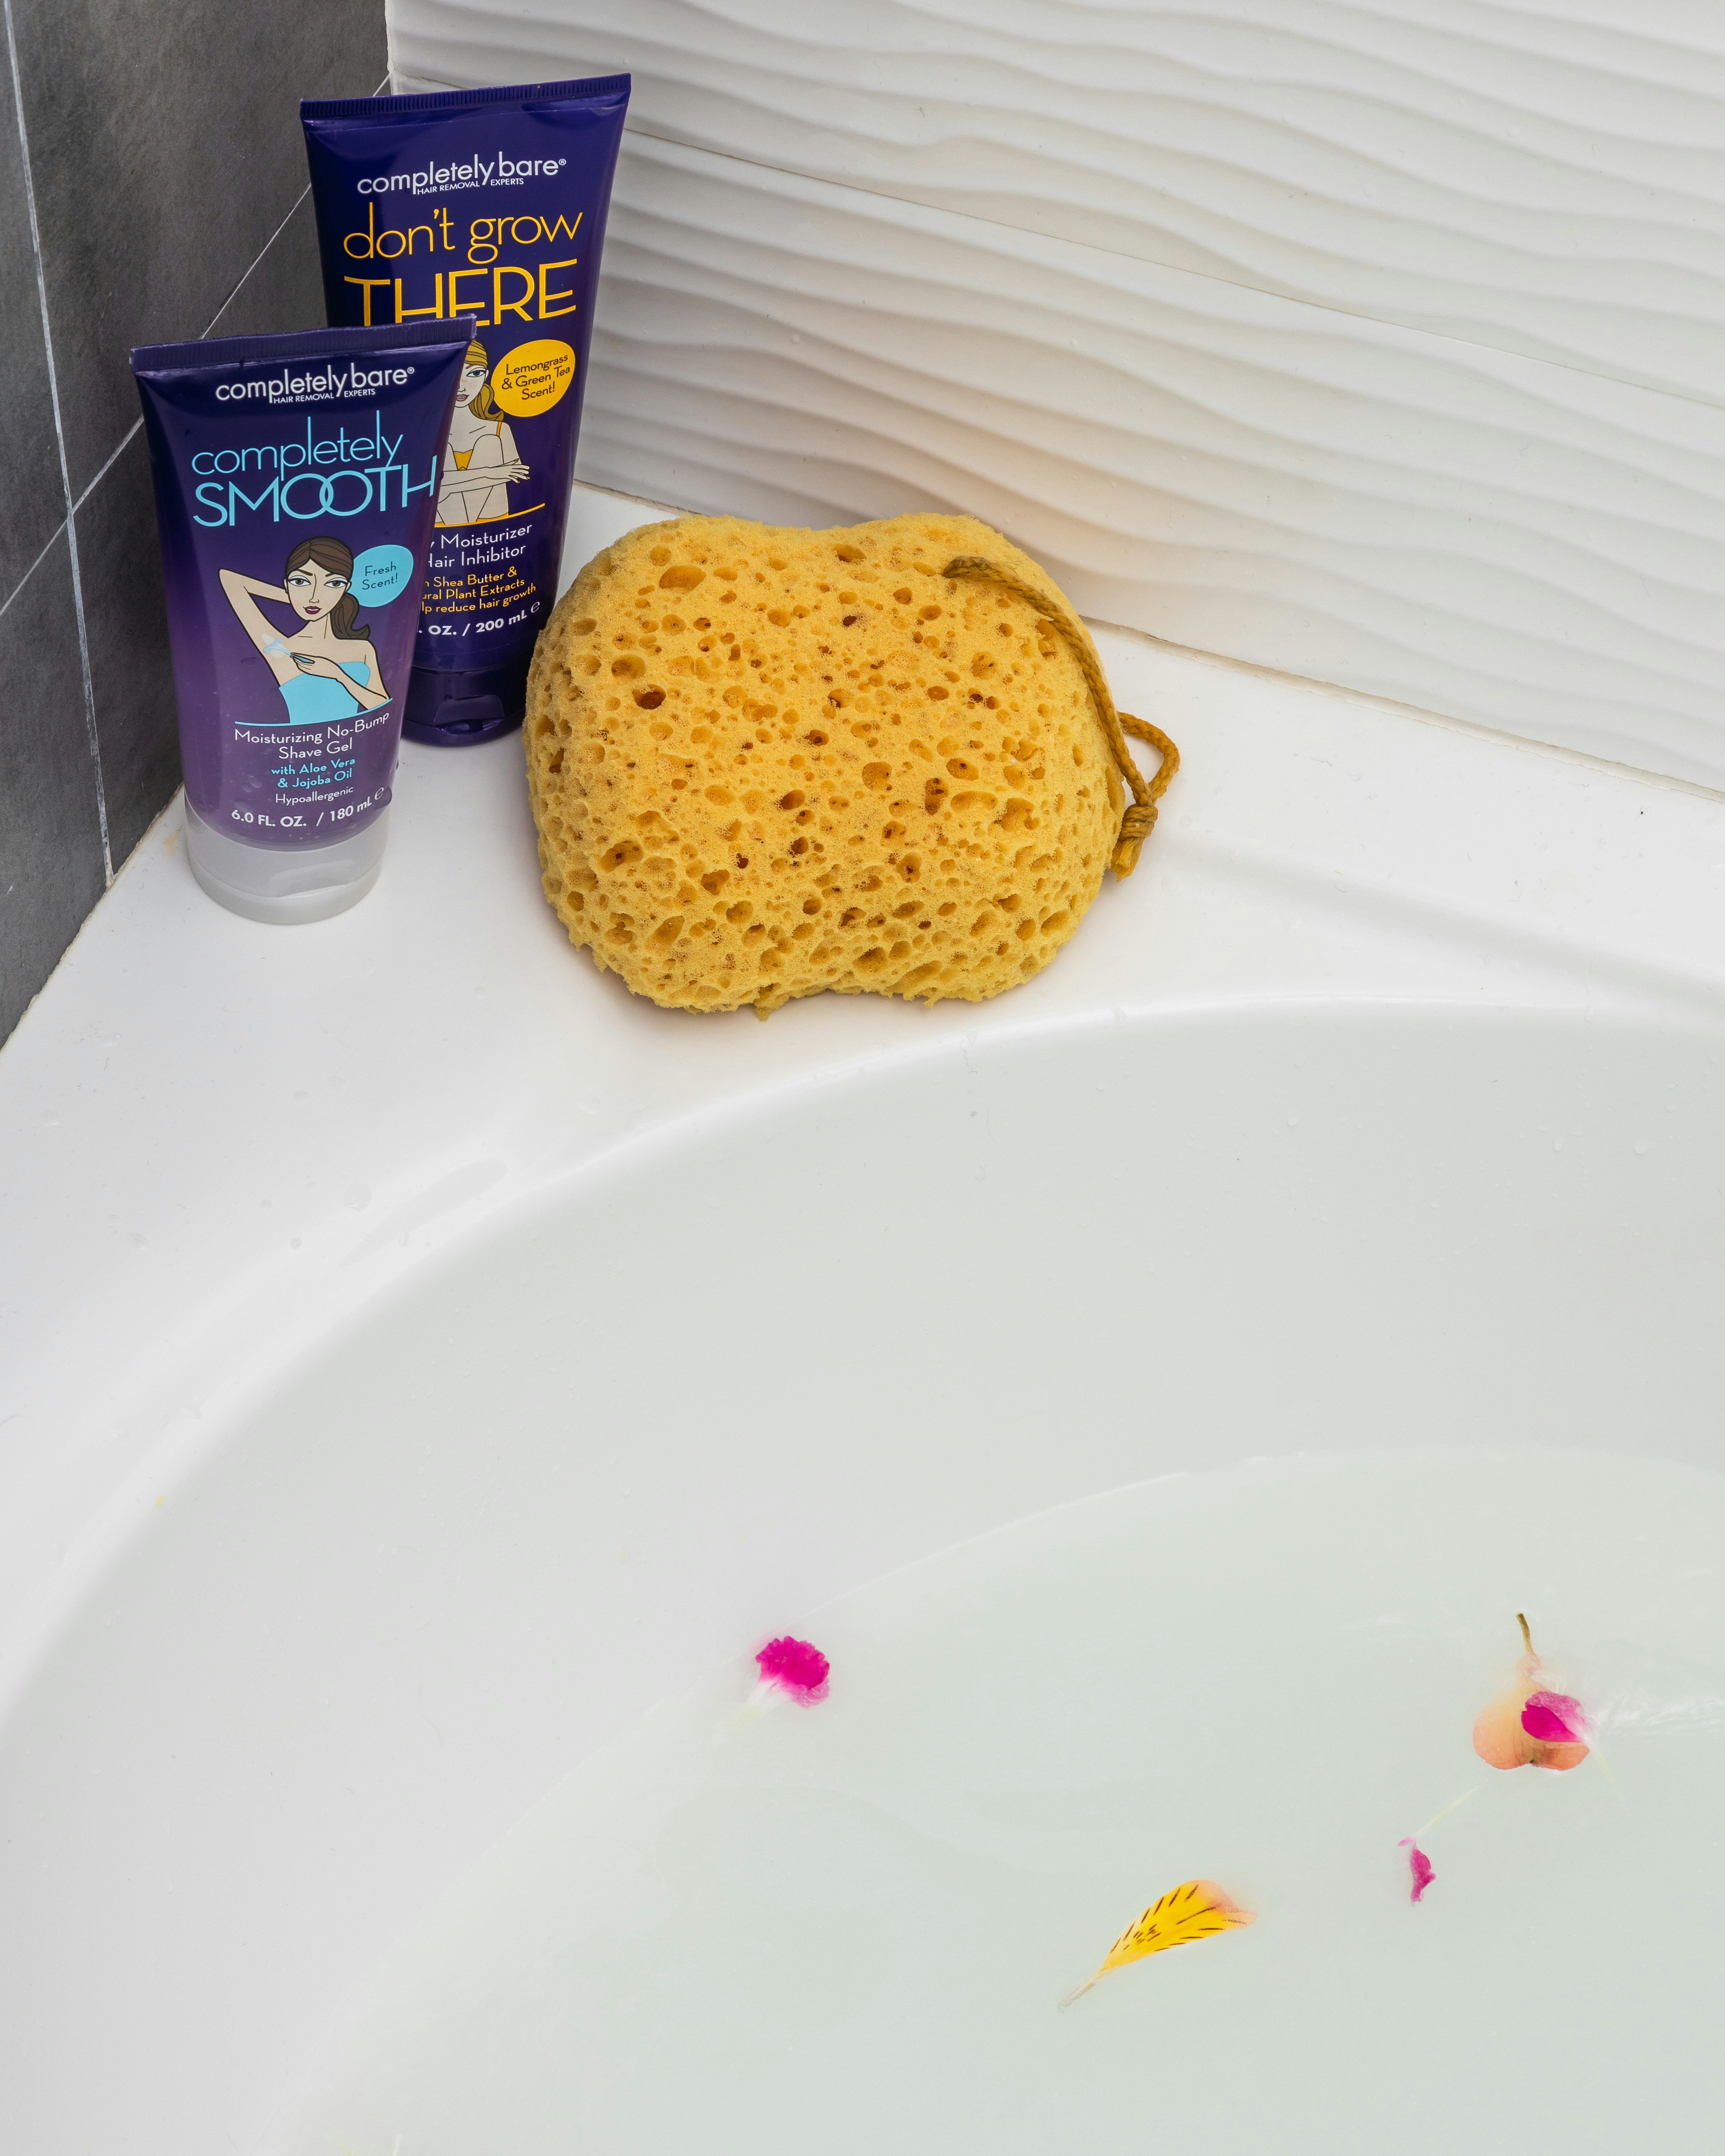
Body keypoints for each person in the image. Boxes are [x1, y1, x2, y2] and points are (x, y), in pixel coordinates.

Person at [218, 537, 391, 724]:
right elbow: (231, 580)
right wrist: (295, 599)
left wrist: (338, 675)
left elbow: (381, 705)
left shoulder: (363, 649)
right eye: (301, 581)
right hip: (298, 744)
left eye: (333, 584)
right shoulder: (282, 649)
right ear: (287, 586)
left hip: (352, 741)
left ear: (346, 588)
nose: (315, 597)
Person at [436, 339, 528, 527]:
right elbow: (429, 483)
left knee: (489, 442)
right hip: (442, 521)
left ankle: (464, 536)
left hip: (489, 518)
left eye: (474, 374)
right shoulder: (428, 433)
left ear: (485, 376)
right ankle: (464, 537)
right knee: (443, 446)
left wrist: (451, 482)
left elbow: (517, 475)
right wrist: (489, 474)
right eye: (453, 373)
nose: (462, 386)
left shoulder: (500, 430)